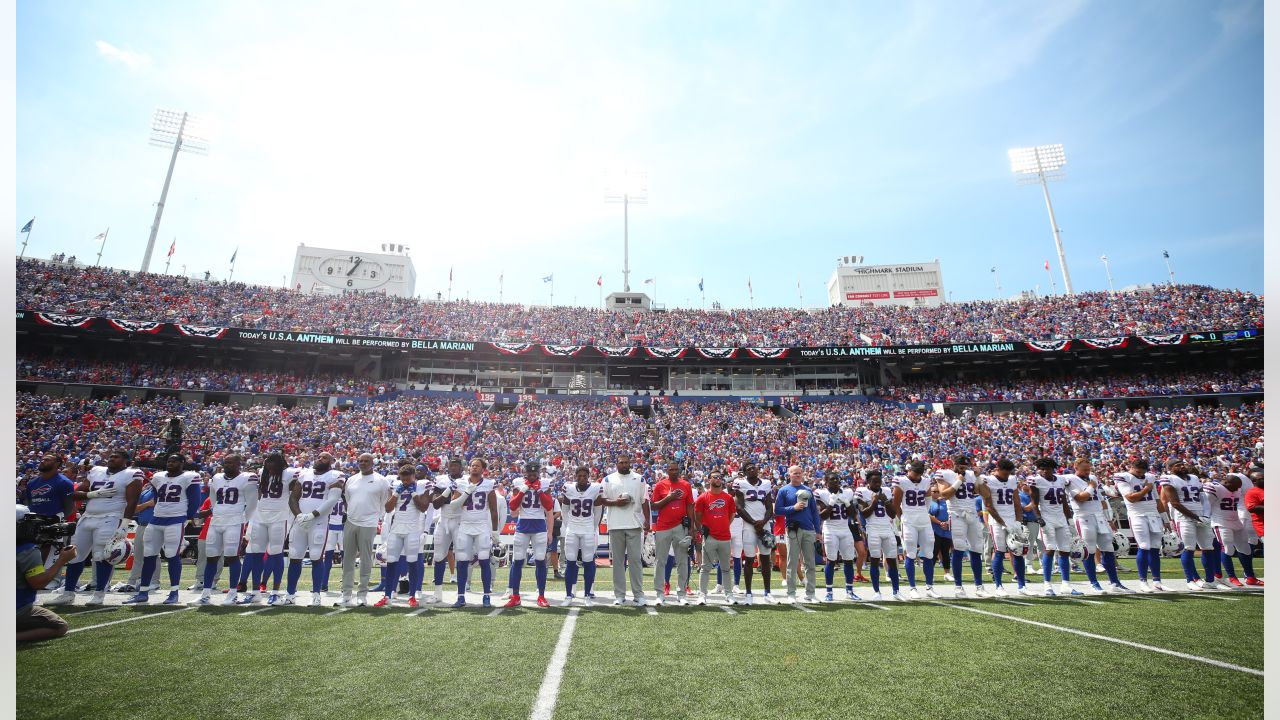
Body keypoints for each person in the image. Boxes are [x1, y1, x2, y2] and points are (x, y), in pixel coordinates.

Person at [49, 449, 142, 605]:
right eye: (111, 456)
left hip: (111, 517)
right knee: (74, 555)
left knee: (102, 555)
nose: (112, 458)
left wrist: (125, 523)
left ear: (126, 460)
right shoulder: (96, 471)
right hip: (88, 517)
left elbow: (132, 501)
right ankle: (68, 593)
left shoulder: (132, 474)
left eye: (116, 457)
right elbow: (74, 494)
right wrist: (93, 494)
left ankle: (99, 594)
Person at [124, 453, 201, 605]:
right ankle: (143, 591)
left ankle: (174, 592)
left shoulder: (190, 477)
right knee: (149, 555)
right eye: (169, 461)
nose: (170, 463)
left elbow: (194, 501)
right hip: (156, 519)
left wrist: (187, 518)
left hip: (176, 519)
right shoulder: (158, 477)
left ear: (182, 463)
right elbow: (156, 497)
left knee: (172, 555)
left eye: (174, 461)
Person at [284, 453, 345, 606]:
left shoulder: (335, 475)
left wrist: (312, 515)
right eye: (319, 457)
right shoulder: (304, 474)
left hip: (319, 522)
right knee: (295, 556)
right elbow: (293, 497)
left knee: (316, 557)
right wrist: (299, 516)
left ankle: (316, 594)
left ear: (331, 462)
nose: (320, 459)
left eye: (324, 458)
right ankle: (290, 594)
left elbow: (332, 500)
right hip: (301, 521)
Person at [198, 453, 258, 606]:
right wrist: (215, 511)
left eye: (231, 463)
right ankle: (205, 593)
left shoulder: (247, 477)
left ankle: (232, 593)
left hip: (234, 521)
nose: (227, 465)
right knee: (211, 556)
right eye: (226, 462)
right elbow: (212, 499)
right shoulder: (216, 478)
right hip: (216, 521)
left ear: (239, 464)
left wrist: (243, 519)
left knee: (232, 557)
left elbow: (252, 503)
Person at [239, 452, 297, 605]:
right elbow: (259, 494)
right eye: (267, 463)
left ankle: (275, 592)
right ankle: (256, 591)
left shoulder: (289, 473)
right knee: (256, 553)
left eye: (271, 463)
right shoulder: (263, 473)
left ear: (279, 463)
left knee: (275, 553)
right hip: (260, 516)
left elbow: (300, 483)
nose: (268, 466)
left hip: (279, 517)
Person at [1063, 458, 1127, 593]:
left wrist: (1109, 520)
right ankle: (1094, 583)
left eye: (1088, 469)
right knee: (1089, 551)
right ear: (1076, 467)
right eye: (1084, 470)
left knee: (1108, 549)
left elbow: (1102, 500)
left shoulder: (1092, 477)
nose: (1087, 472)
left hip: (1100, 517)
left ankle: (1115, 583)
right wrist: (1091, 486)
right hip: (1084, 517)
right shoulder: (1070, 479)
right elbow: (1080, 498)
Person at [17, 505, 75, 642]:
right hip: (15, 608)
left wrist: (43, 546)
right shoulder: (27, 550)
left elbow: (29, 569)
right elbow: (38, 582)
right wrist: (61, 560)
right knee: (60, 627)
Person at [341, 453, 391, 607]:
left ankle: (362, 594)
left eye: (366, 461)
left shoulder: (381, 481)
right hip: (351, 521)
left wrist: (376, 517)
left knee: (366, 559)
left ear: (372, 463)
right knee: (348, 559)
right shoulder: (352, 479)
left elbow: (385, 501)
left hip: (369, 523)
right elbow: (348, 499)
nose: (362, 463)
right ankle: (346, 594)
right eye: (360, 461)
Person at [1108, 459, 1166, 593]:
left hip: (1153, 515)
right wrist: (1146, 488)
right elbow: (1131, 498)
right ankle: (1143, 581)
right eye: (1137, 471)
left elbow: (1157, 500)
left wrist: (1165, 519)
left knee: (1155, 547)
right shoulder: (1123, 477)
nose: (1140, 474)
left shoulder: (1150, 477)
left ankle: (1157, 581)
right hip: (1137, 515)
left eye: (1142, 472)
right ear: (1131, 467)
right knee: (1144, 546)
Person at [1159, 458, 1217, 591]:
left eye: (1182, 464)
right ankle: (1190, 580)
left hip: (1201, 516)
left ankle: (1210, 580)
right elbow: (1175, 503)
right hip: (1183, 518)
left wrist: (1206, 515)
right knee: (1189, 548)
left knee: (1208, 547)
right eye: (1177, 465)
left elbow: (1203, 498)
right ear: (1170, 469)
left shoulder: (1194, 478)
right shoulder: (1168, 479)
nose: (1181, 466)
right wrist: (1196, 517)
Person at [376, 466, 430, 607]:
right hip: (396, 529)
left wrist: (413, 494)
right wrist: (395, 494)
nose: (405, 482)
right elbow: (388, 509)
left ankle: (412, 596)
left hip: (412, 530)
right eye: (403, 479)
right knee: (391, 562)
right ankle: (388, 595)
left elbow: (423, 507)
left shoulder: (421, 486)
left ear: (414, 476)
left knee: (412, 562)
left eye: (408, 479)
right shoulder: (397, 487)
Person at [600, 454, 650, 607]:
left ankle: (638, 594)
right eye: (621, 462)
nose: (624, 465)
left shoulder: (640, 479)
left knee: (635, 561)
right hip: (615, 525)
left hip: (634, 525)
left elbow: (644, 501)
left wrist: (648, 520)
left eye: (626, 462)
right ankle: (620, 595)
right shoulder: (608, 479)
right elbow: (602, 500)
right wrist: (616, 502)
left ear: (630, 463)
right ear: (617, 464)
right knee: (618, 562)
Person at [20, 454, 76, 590]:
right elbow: (27, 503)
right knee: (33, 553)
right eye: (43, 459)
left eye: (47, 459)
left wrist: (59, 521)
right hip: (32, 524)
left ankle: (52, 580)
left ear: (57, 463)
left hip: (53, 523)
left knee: (51, 552)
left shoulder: (63, 482)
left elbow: (69, 506)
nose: (43, 461)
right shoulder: (32, 483)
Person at [933, 456, 987, 598]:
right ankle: (958, 586)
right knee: (958, 548)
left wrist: (979, 478)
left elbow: (984, 494)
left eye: (965, 467)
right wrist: (958, 481)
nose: (963, 470)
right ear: (954, 464)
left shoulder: (971, 474)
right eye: (960, 467)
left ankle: (979, 586)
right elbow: (944, 494)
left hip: (972, 514)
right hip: (956, 514)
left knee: (976, 549)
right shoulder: (945, 474)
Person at [449, 458, 499, 608]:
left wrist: (495, 531)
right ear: (468, 468)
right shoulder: (461, 482)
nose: (474, 468)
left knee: (484, 560)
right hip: (465, 526)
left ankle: (486, 596)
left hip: (482, 526)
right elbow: (453, 506)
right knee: (462, 561)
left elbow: (494, 509)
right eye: (472, 465)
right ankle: (461, 596)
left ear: (483, 469)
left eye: (478, 466)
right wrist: (466, 493)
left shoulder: (489, 484)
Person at [505, 461, 555, 608]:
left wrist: (539, 491)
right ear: (525, 473)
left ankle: (541, 595)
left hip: (539, 526)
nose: (532, 476)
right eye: (529, 474)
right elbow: (513, 506)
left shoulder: (545, 484)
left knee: (540, 560)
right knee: (518, 560)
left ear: (539, 474)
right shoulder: (518, 483)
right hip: (522, 526)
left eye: (535, 474)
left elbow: (548, 506)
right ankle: (515, 596)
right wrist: (523, 490)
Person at [1027, 458, 1080, 596]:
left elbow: (1063, 501)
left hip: (1061, 519)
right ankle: (1047, 585)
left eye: (1047, 469)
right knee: (1049, 550)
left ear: (1053, 468)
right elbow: (1034, 501)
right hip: (1047, 518)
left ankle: (1066, 585)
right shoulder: (1036, 481)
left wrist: (1069, 519)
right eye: (1042, 469)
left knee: (1065, 550)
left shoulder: (1061, 480)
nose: (1044, 471)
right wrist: (1039, 518)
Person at [978, 459, 1028, 596]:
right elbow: (988, 505)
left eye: (1008, 474)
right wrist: (1002, 523)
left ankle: (1021, 585)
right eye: (1004, 473)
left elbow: (1017, 503)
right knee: (999, 551)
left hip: (1012, 520)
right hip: (997, 522)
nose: (1006, 476)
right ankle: (998, 586)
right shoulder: (987, 480)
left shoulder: (1012, 479)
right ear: (997, 469)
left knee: (1018, 552)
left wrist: (1018, 521)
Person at [650, 460, 695, 606]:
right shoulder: (660, 485)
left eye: (676, 469)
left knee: (682, 561)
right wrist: (669, 497)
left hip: (680, 526)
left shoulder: (686, 485)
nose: (674, 472)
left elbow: (689, 506)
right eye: (671, 469)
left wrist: (691, 527)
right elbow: (653, 506)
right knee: (660, 561)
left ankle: (681, 593)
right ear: (667, 470)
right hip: (663, 527)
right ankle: (659, 593)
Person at [1202, 473, 1257, 589]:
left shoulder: (1236, 490)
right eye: (1236, 486)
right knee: (1227, 548)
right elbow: (1206, 506)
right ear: (1226, 482)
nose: (1237, 489)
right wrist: (1206, 520)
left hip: (1235, 521)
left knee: (1246, 548)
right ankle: (1230, 577)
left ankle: (1249, 576)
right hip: (1220, 522)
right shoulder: (1215, 488)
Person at [731, 461, 775, 604]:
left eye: (753, 467)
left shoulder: (766, 483)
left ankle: (767, 592)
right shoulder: (740, 484)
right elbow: (739, 507)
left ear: (757, 469)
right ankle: (749, 594)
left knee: (765, 559)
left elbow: (769, 507)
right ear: (744, 472)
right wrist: (754, 523)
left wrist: (762, 522)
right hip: (749, 526)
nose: (751, 470)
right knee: (749, 559)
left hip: (764, 524)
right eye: (748, 468)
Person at [893, 460, 938, 599]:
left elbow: (929, 498)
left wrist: (923, 512)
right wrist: (903, 517)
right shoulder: (901, 481)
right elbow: (896, 503)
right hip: (909, 522)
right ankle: (912, 587)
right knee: (911, 553)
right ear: (909, 470)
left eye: (919, 473)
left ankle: (929, 587)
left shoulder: (925, 481)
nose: (917, 476)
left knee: (929, 553)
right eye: (915, 473)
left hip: (924, 521)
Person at [775, 465, 819, 603]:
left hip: (808, 529)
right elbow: (777, 510)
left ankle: (810, 593)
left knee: (810, 563)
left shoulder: (808, 490)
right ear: (789, 474)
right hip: (793, 530)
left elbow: (814, 512)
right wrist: (792, 508)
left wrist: (817, 530)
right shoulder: (783, 490)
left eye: (800, 473)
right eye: (795, 473)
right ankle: (791, 593)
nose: (798, 475)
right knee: (792, 562)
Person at [559, 466, 602, 605]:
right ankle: (568, 595)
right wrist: (569, 525)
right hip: (573, 529)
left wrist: (593, 527)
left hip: (588, 529)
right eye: (580, 476)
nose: (582, 478)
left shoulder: (595, 488)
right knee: (570, 561)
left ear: (588, 476)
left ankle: (587, 595)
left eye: (585, 476)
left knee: (588, 561)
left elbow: (598, 511)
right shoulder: (569, 488)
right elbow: (564, 510)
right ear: (575, 476)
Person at [693, 471, 737, 605]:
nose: (718, 479)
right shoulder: (702, 497)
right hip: (710, 537)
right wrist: (705, 528)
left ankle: (729, 594)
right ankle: (702, 595)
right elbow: (697, 516)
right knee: (705, 567)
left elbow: (732, 515)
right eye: (715, 477)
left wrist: (723, 526)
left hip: (725, 537)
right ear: (709, 480)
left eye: (719, 477)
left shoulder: (728, 497)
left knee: (725, 568)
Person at [856, 470, 901, 601]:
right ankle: (876, 591)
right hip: (873, 529)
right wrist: (874, 502)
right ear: (868, 482)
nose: (877, 484)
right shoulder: (862, 492)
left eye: (879, 481)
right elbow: (864, 514)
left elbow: (893, 514)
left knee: (892, 560)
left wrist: (886, 501)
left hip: (887, 528)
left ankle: (896, 591)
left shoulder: (886, 491)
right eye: (874, 482)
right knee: (875, 560)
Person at [427, 455, 466, 603]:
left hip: (460, 520)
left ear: (461, 468)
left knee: (461, 557)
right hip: (443, 519)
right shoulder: (441, 480)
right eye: (451, 465)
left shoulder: (466, 479)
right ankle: (437, 593)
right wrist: (448, 491)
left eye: (456, 465)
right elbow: (436, 504)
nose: (453, 468)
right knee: (438, 556)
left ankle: (461, 594)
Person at [816, 474, 858, 602]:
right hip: (830, 529)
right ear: (826, 482)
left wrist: (847, 503)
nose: (835, 481)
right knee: (831, 560)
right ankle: (829, 592)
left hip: (845, 529)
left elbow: (853, 515)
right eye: (832, 479)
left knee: (849, 560)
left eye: (837, 479)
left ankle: (849, 591)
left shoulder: (848, 492)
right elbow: (821, 517)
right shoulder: (821, 493)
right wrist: (831, 504)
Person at [1243, 469, 1263, 543]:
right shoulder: (1251, 492)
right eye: (1262, 479)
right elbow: (1251, 508)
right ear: (1254, 481)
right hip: (1262, 525)